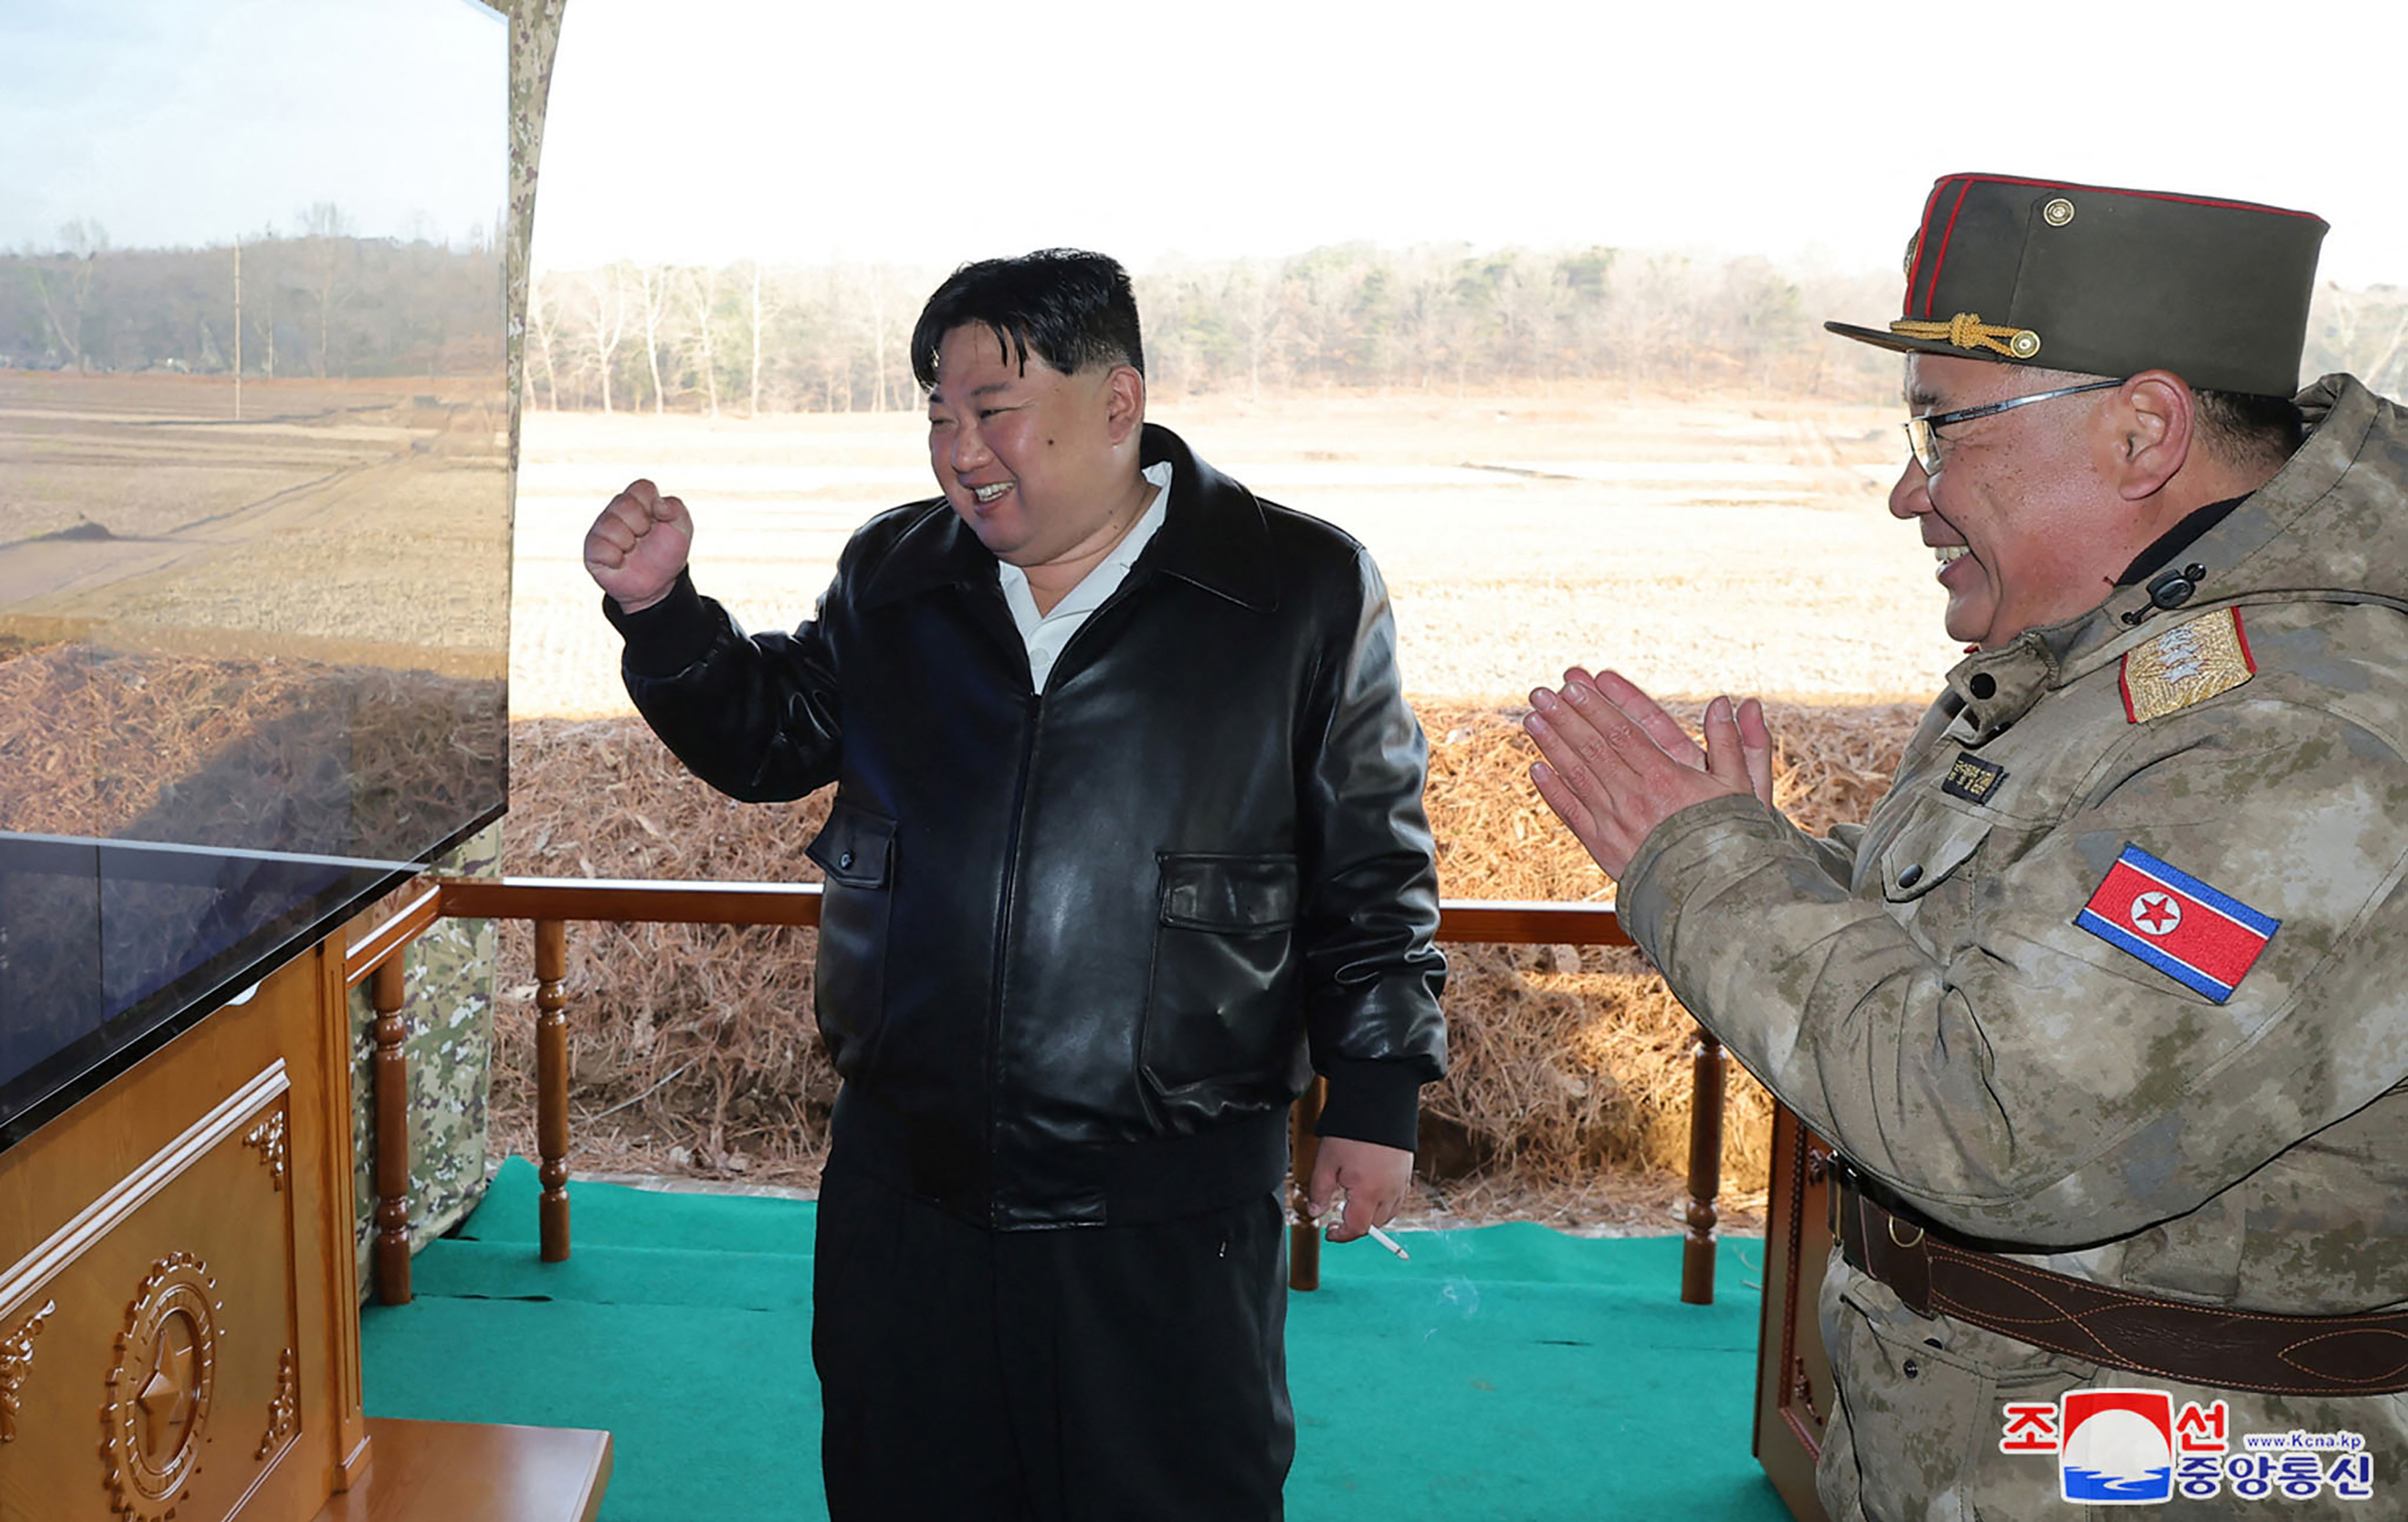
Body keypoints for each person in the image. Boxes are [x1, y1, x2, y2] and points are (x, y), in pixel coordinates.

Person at [1524, 174, 2408, 1518]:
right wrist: (1771, 859)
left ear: (2145, 432)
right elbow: (2000, 962)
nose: (1905, 491)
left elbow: (1996, 1122)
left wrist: (1702, 867)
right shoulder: (2124, 655)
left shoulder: (2305, 728)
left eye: (1940, 429)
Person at [582, 248, 1446, 1521]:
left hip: (1164, 1197)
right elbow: (772, 736)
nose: (960, 446)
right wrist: (661, 615)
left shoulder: (1295, 590)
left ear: (1116, 404)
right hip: (907, 1184)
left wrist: (1375, 1093)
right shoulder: (898, 576)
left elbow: (1372, 862)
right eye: (938, 411)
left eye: (993, 409)